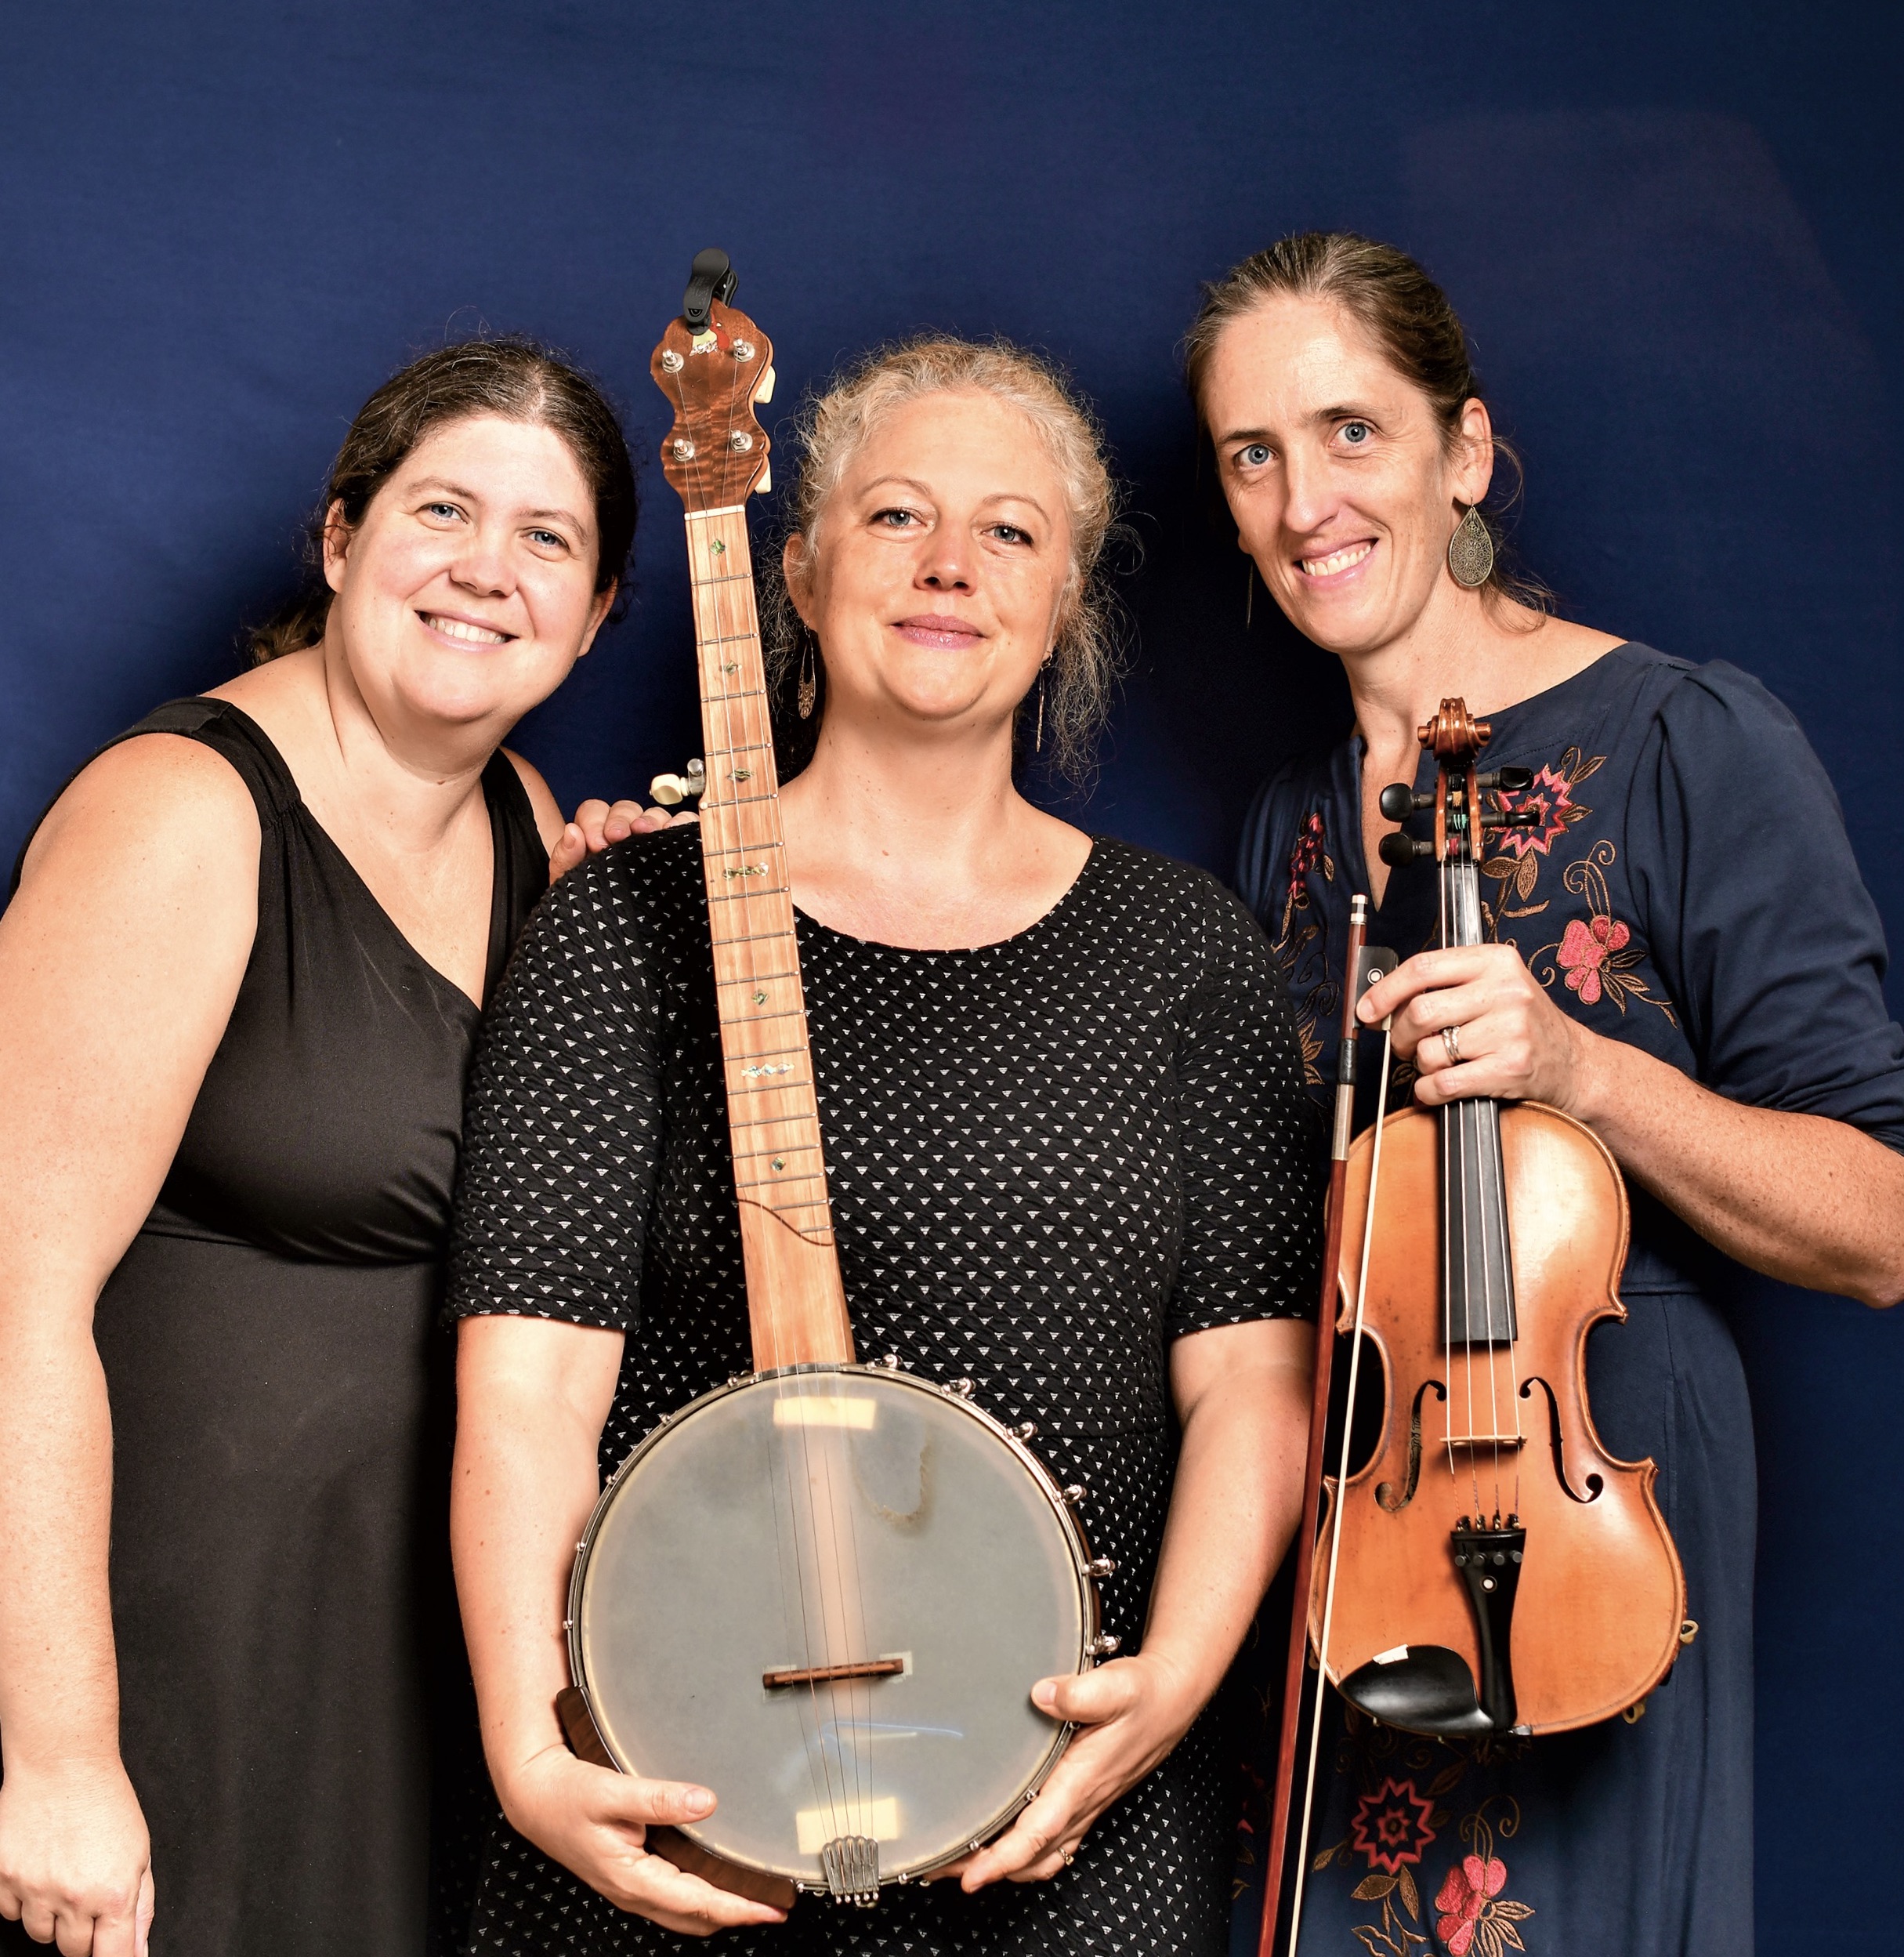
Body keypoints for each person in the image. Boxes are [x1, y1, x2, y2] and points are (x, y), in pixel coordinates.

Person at [444, 336, 1325, 1955]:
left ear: (1068, 598)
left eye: (1010, 533)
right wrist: (525, 1741)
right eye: (896, 516)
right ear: (797, 564)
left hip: (1068, 1814)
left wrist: (1168, 1693)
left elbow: (1253, 1386)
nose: (948, 567)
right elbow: (528, 1389)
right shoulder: (623, 926)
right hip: (682, 1805)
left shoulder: (1185, 951)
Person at [1184, 231, 1904, 1957]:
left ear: (1469, 452)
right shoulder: (1285, 828)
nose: (1305, 502)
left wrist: (1584, 1070)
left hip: (1599, 1517)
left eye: (1352, 431)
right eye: (1252, 454)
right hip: (1362, 1528)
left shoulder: (1685, 742)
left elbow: (1880, 1223)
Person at [0, 337, 668, 1957]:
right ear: (340, 540)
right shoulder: (178, 812)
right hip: (166, 1658)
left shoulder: (525, 821)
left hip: (400, 1669)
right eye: (443, 510)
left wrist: (622, 935)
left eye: (547, 540)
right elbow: (13, 1303)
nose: (485, 573)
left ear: (594, 620)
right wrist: (61, 1757)